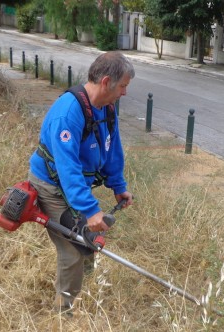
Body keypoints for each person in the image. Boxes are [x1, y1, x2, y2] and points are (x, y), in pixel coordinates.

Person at [27, 52, 135, 315]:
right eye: (122, 86)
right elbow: (68, 168)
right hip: (51, 187)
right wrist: (90, 210)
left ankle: (78, 291)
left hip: (75, 187)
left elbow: (113, 150)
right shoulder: (68, 113)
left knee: (88, 241)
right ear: (107, 81)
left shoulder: (106, 109)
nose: (124, 93)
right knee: (74, 247)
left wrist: (118, 185)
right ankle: (62, 314)